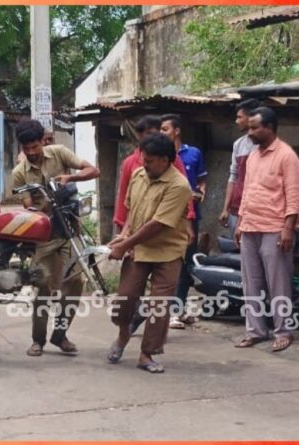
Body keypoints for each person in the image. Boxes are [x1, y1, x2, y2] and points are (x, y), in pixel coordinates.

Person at [11, 119, 100, 357]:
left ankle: (60, 335)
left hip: (70, 230)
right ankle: (37, 340)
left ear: (43, 141)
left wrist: (70, 179)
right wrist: (39, 212)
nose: (31, 152)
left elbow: (93, 169)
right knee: (42, 283)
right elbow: (29, 207)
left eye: (35, 146)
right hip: (44, 235)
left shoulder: (60, 153)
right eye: (26, 148)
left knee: (76, 284)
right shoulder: (19, 174)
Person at [106, 133, 191, 373]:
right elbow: (133, 210)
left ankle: (147, 354)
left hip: (167, 252)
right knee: (125, 298)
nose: (144, 164)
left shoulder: (179, 185)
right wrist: (124, 235)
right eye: (144, 159)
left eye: (150, 160)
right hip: (138, 248)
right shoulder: (138, 175)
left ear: (165, 160)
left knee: (158, 305)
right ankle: (124, 334)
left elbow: (158, 224)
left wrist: (125, 244)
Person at [234, 107, 299, 352]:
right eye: (249, 127)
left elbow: (293, 196)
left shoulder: (287, 156)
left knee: (278, 283)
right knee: (250, 283)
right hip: (250, 225)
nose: (249, 132)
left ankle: (283, 331)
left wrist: (288, 229)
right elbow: (247, 191)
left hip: (274, 227)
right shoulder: (253, 156)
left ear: (270, 127)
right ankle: (256, 331)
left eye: (254, 128)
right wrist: (241, 222)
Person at [160, 114, 207, 329]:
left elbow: (201, 182)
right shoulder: (160, 156)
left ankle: (179, 308)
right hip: (168, 218)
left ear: (176, 131)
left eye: (165, 129)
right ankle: (171, 311)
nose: (162, 133)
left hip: (191, 216)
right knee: (171, 264)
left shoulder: (193, 153)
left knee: (187, 264)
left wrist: (201, 193)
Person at [219, 99, 260, 237]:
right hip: (236, 207)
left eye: (239, 117)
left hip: (257, 209)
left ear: (251, 118)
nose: (236, 121)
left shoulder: (264, 146)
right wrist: (226, 208)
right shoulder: (238, 144)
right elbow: (233, 176)